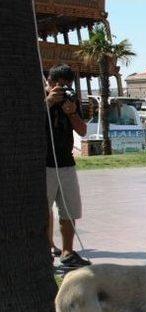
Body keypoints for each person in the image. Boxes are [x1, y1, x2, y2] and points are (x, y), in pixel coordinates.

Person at [45, 64, 91, 268]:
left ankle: (68, 252)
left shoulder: (71, 101)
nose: (64, 90)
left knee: (70, 209)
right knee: (43, 210)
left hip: (66, 163)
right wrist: (47, 103)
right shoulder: (41, 98)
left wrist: (72, 113)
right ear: (51, 83)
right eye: (61, 86)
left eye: (68, 86)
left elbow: (82, 131)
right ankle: (46, 250)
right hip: (43, 164)